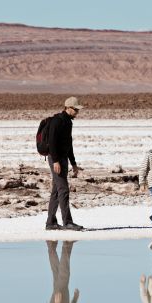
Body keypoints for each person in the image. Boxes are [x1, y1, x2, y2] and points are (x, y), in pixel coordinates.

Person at [46, 96, 84, 231]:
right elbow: (52, 142)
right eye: (76, 110)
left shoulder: (68, 122)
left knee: (56, 190)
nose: (77, 113)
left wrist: (73, 163)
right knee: (63, 189)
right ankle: (67, 222)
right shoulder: (57, 121)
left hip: (63, 159)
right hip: (56, 159)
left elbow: (69, 144)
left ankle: (51, 223)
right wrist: (55, 161)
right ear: (68, 108)